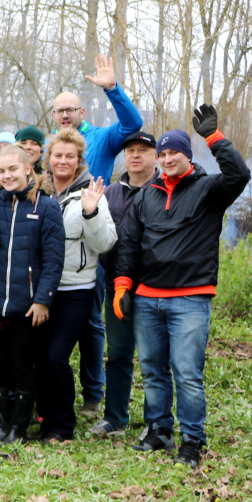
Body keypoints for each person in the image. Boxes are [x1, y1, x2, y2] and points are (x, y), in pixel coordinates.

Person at [113, 106, 249, 468]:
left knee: (187, 372)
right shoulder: (146, 195)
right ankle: (159, 431)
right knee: (153, 370)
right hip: (147, 299)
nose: (168, 158)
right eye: (163, 153)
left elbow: (240, 175)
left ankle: (192, 440)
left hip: (190, 298)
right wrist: (122, 285)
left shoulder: (209, 190)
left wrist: (215, 138)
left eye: (175, 152)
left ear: (187, 156)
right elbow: (129, 243)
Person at [0, 144, 64, 444]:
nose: (7, 175)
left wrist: (42, 300)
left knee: (23, 365)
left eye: (13, 169)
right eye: (2, 171)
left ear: (27, 168)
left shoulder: (46, 207)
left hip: (29, 304)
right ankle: (2, 423)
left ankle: (19, 428)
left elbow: (53, 259)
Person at [42, 129, 117, 441]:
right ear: (48, 159)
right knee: (40, 357)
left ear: (78, 161)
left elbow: (106, 242)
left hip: (75, 290)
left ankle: (63, 425)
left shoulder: (92, 193)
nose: (63, 161)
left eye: (69, 156)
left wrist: (91, 212)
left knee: (56, 357)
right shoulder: (37, 192)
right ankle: (45, 418)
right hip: (40, 290)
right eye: (57, 155)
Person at [88, 131, 156, 439]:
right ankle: (115, 417)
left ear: (156, 155)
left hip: (158, 288)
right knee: (117, 353)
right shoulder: (110, 193)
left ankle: (157, 421)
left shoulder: (165, 190)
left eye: (143, 149)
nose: (136, 155)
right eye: (130, 150)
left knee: (156, 358)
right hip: (118, 287)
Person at [52, 54, 146, 182]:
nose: (65, 115)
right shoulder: (45, 145)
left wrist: (112, 89)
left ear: (82, 112)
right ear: (53, 115)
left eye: (70, 110)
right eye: (60, 111)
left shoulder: (101, 140)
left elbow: (132, 124)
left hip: (94, 201)